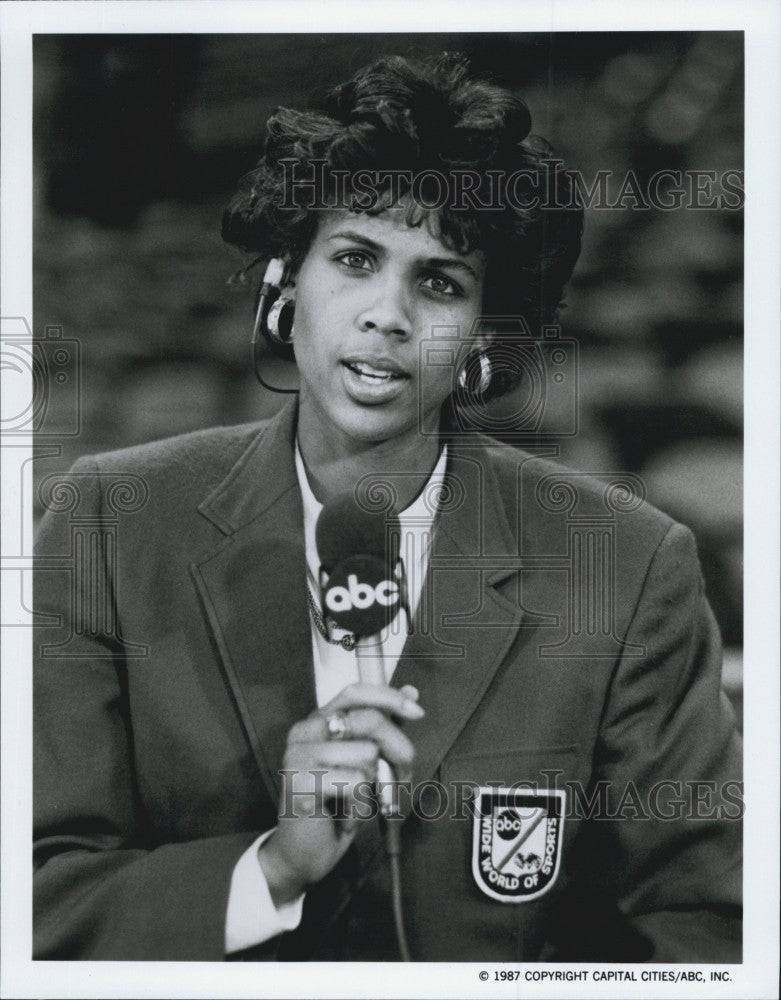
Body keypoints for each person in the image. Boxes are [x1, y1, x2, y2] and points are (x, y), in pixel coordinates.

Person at [33, 52, 741, 962]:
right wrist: (270, 869)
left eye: (440, 282)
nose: (388, 314)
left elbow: (700, 926)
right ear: (285, 283)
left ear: (484, 330)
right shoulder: (110, 521)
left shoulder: (630, 564)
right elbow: (40, 893)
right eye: (356, 259)